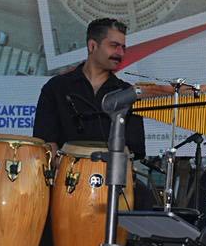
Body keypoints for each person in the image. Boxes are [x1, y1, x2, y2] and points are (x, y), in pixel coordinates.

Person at [32, 18, 146, 161]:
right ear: (92, 46)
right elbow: (46, 144)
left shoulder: (128, 94)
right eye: (114, 46)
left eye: (123, 48)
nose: (120, 53)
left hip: (113, 173)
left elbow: (134, 150)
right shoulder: (56, 87)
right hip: (66, 173)